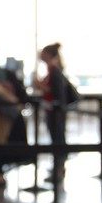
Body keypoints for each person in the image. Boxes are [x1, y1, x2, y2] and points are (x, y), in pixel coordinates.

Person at [33, 43, 68, 181]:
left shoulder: (54, 70)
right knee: (56, 139)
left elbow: (55, 92)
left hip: (55, 111)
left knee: (57, 139)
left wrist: (40, 85)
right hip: (53, 111)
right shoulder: (53, 69)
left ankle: (59, 170)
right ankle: (58, 168)